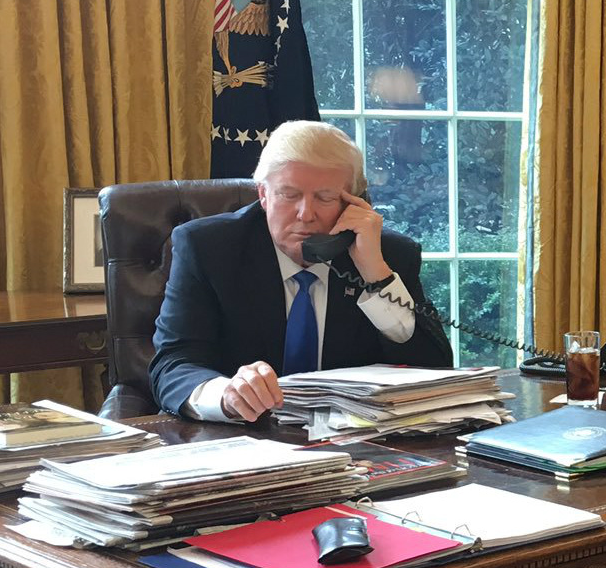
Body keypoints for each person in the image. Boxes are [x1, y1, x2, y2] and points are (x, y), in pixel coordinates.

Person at [150, 120, 452, 421]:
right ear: (264, 195)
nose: (306, 214)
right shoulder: (209, 248)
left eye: (325, 197)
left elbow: (434, 369)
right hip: (248, 437)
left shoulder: (387, 254)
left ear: (354, 203)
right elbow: (174, 364)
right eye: (289, 195)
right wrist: (226, 395)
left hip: (354, 442)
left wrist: (375, 274)